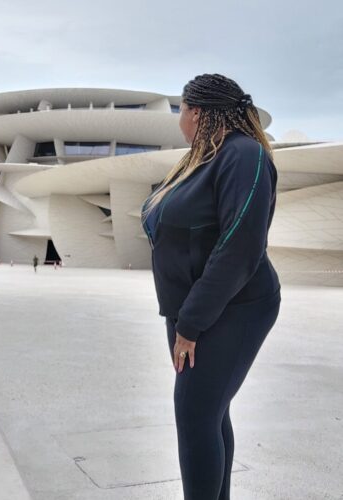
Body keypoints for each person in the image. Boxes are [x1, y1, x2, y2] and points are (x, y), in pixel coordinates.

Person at [141, 74, 281, 500]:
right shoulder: (201, 160)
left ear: (197, 111)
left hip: (232, 307)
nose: (178, 118)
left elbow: (240, 246)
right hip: (192, 310)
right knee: (210, 413)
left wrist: (192, 323)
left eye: (180, 109)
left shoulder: (243, 156)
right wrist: (184, 317)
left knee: (196, 416)